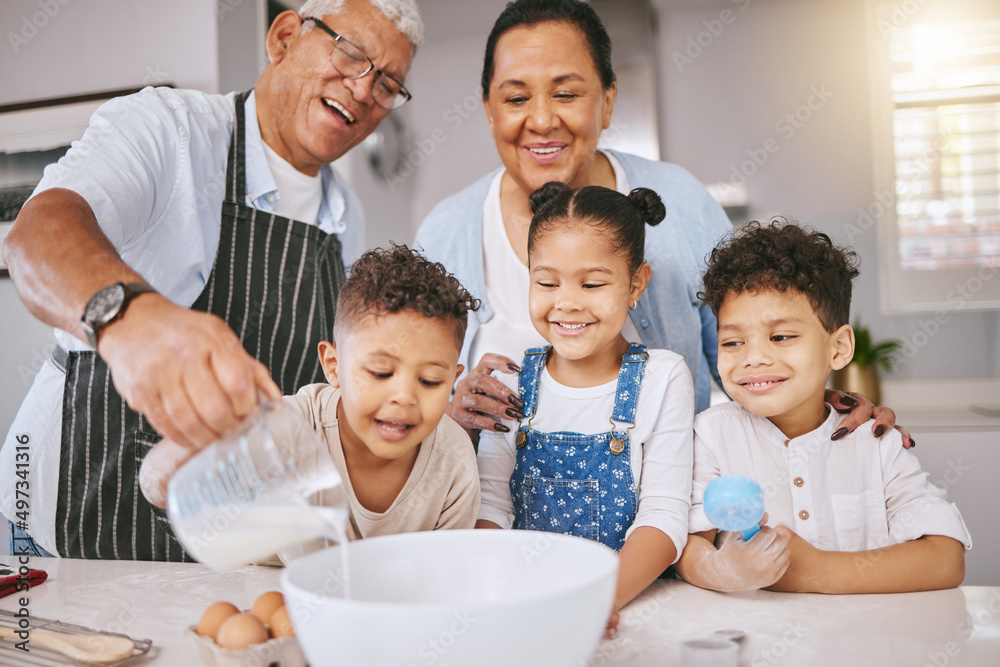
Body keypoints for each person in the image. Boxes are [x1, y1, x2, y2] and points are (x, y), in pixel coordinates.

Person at [0, 0, 423, 560]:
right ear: (284, 37)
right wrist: (132, 319)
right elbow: (37, 233)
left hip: (227, 540)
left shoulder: (345, 218)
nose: (366, 90)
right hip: (70, 522)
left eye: (389, 83)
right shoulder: (170, 130)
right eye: (351, 55)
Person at [414, 0, 902, 447]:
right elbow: (404, 402)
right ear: (488, 110)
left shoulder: (683, 202)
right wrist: (449, 413)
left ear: (606, 102)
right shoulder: (446, 232)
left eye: (565, 93)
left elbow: (752, 355)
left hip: (670, 522)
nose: (541, 120)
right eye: (516, 99)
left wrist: (819, 412)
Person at [675, 221, 970, 594]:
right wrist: (722, 570)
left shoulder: (876, 444)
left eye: (780, 336)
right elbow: (685, 547)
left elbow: (945, 558)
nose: (753, 358)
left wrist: (816, 570)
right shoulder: (712, 435)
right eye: (733, 342)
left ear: (839, 348)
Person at [141, 245, 482, 543]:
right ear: (333, 366)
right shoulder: (291, 427)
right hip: (266, 595)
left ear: (452, 378)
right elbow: (157, 486)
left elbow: (442, 580)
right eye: (380, 373)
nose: (404, 396)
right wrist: (213, 429)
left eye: (430, 380)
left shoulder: (452, 462)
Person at [476, 182, 693, 636]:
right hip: (521, 605)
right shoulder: (513, 383)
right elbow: (492, 506)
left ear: (636, 283)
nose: (567, 302)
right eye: (547, 282)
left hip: (622, 610)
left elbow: (664, 518)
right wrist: (502, 590)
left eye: (592, 283)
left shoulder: (663, 377)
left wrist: (596, 600)